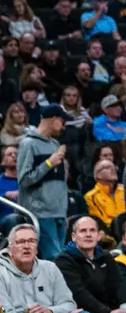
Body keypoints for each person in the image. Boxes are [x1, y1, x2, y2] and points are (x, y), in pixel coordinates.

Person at [16, 104, 69, 259]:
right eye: (62, 122)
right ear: (53, 120)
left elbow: (59, 183)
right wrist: (48, 163)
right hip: (40, 213)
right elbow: (24, 180)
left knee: (60, 259)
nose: (63, 127)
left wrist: (62, 211)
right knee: (54, 259)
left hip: (58, 213)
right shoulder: (28, 144)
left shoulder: (55, 144)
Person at [85, 158, 126, 234]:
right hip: (108, 233)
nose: (112, 170)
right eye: (107, 168)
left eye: (113, 167)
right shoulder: (91, 197)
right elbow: (99, 222)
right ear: (98, 175)